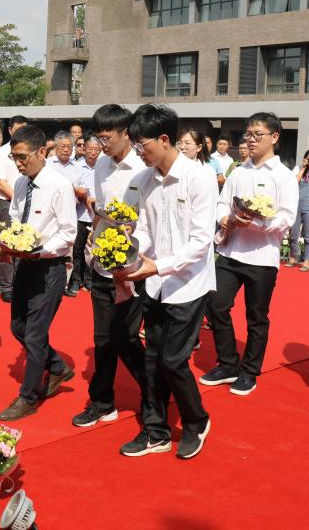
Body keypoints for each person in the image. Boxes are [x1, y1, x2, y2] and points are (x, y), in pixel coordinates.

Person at [117, 104, 217, 460]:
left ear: (163, 139)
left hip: (189, 284)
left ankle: (196, 421)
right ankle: (155, 431)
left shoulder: (199, 177)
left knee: (173, 360)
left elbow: (201, 240)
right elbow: (145, 228)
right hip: (155, 283)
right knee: (152, 361)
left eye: (141, 145)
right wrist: (130, 255)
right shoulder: (145, 179)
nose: (138, 152)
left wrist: (156, 267)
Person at [201, 112, 298, 396]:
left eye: (258, 135)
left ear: (274, 137)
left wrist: (257, 223)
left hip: (262, 257)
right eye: (248, 135)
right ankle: (228, 363)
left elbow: (287, 217)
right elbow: (221, 203)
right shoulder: (239, 171)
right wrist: (225, 219)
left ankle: (249, 371)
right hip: (231, 251)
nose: (251, 140)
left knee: (256, 316)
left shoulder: (283, 176)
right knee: (215, 304)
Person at [71, 104, 146, 428]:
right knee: (103, 338)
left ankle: (155, 390)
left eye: (107, 138)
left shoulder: (143, 165)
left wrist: (133, 232)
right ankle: (102, 402)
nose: (101, 145)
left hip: (135, 266)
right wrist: (96, 232)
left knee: (126, 337)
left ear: (125, 133)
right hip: (103, 261)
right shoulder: (101, 164)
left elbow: (149, 216)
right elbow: (101, 208)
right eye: (98, 138)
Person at [0, 125, 77, 421]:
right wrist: (8, 244)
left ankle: (28, 397)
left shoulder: (60, 186)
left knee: (34, 334)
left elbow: (68, 233)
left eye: (22, 157)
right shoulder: (21, 183)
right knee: (18, 327)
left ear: (42, 152)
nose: (18, 163)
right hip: (24, 263)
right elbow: (15, 218)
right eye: (14, 157)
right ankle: (57, 367)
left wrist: (39, 250)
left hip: (50, 267)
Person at [0, 115, 28, 302]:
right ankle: (6, 286)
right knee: (6, 245)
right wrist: (18, 200)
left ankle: (21, 283)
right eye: (18, 129)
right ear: (10, 130)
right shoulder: (1, 153)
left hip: (28, 203)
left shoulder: (30, 151)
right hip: (8, 203)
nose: (22, 132)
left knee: (25, 243)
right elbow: (0, 181)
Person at [46, 132, 84, 296]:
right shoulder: (46, 165)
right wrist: (69, 187)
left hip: (69, 213)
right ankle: (48, 284)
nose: (67, 150)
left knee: (68, 251)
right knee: (49, 248)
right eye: (63, 146)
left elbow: (82, 190)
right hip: (50, 214)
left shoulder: (78, 167)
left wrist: (66, 187)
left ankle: (64, 285)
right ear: (55, 147)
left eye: (69, 146)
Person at [69, 137, 99, 294]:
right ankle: (76, 280)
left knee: (94, 250)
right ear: (84, 149)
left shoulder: (103, 166)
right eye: (90, 149)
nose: (93, 152)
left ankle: (90, 279)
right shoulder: (76, 166)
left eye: (96, 149)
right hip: (80, 214)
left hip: (98, 216)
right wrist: (82, 195)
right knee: (78, 249)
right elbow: (73, 188)